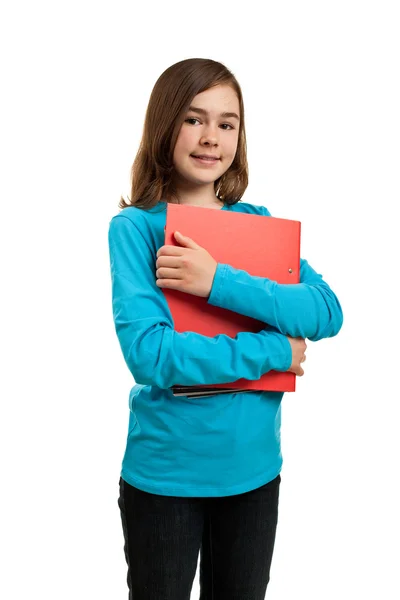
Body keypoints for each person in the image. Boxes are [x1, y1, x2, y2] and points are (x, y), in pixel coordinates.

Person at [108, 57, 343, 600]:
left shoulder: (258, 224)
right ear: (165, 126)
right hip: (166, 478)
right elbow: (152, 355)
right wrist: (272, 351)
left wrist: (217, 281)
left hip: (255, 473)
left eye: (227, 122)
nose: (211, 137)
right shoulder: (136, 228)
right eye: (194, 119)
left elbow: (327, 312)